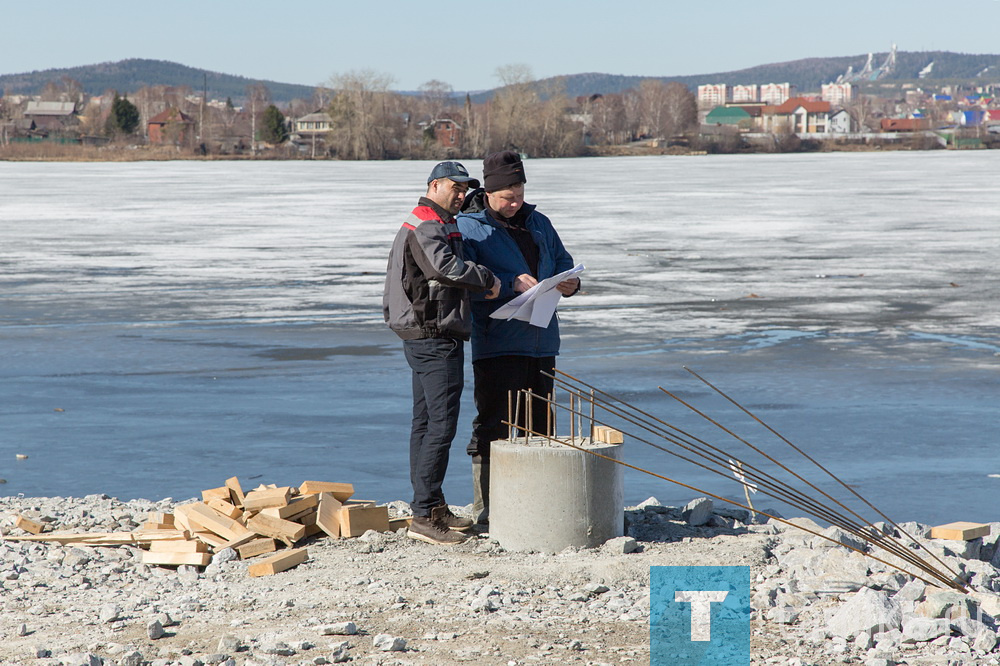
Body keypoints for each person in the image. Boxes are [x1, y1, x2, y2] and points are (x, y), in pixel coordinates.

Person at [457, 151, 580, 525]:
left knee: (541, 423)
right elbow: (464, 280)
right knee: (494, 423)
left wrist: (570, 282)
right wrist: (508, 283)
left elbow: (561, 260)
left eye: (519, 195)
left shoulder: (538, 221)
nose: (514, 203)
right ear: (489, 192)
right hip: (498, 341)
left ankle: (540, 505)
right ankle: (488, 508)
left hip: (542, 340)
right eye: (506, 198)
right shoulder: (469, 227)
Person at [383, 161, 500, 545]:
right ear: (434, 185)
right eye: (456, 186)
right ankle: (423, 514)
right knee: (441, 425)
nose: (462, 193)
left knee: (426, 422)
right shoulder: (426, 224)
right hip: (434, 335)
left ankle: (430, 505)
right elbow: (444, 268)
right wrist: (487, 279)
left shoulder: (435, 219)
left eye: (466, 188)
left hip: (425, 334)